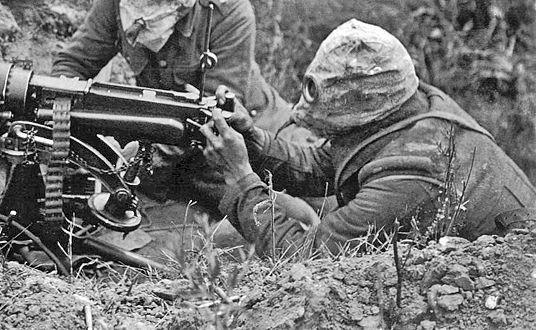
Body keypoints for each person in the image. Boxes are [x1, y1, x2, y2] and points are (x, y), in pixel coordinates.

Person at [201, 19, 536, 255]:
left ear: (362, 105)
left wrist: (241, 179)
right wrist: (253, 140)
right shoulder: (409, 104)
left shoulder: (413, 171)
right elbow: (325, 163)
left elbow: (305, 258)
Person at [51, 0, 301, 212]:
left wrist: (142, 154)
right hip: (172, 143)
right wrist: (71, 129)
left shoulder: (226, 13)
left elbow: (218, 116)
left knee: (297, 211)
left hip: (247, 138)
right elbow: (72, 65)